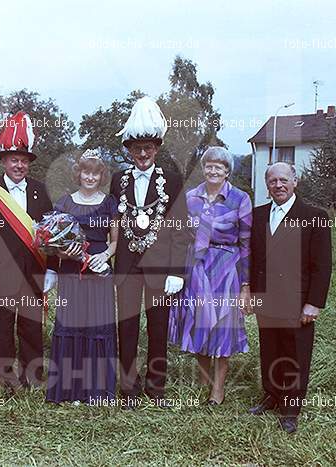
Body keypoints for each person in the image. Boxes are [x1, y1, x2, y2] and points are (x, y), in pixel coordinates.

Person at [109, 96, 190, 408]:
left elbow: (181, 229)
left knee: (157, 330)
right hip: (127, 267)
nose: (142, 154)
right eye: (137, 149)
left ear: (157, 148)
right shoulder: (118, 180)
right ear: (129, 149)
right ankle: (128, 389)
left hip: (160, 269)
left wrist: (176, 271)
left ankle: (156, 389)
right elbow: (112, 223)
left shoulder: (171, 180)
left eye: (149, 148)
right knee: (126, 328)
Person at [0, 111, 59, 392]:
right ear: (4, 161)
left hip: (34, 269)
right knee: (2, 325)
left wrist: (52, 269)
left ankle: (32, 377)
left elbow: (52, 232)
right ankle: (2, 378)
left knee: (31, 325)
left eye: (24, 161)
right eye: (14, 160)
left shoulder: (40, 190)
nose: (19, 165)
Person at [248, 161, 332, 433]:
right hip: (266, 298)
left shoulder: (313, 215)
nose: (278, 185)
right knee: (270, 350)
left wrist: (314, 303)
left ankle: (291, 408)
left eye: (284, 180)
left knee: (295, 353)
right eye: (273, 181)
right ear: (267, 186)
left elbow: (322, 265)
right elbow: (253, 258)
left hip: (298, 302)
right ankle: (272, 395)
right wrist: (249, 290)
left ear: (295, 182)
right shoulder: (258, 215)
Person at [168, 147, 252, 405]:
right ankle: (203, 381)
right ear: (203, 169)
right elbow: (179, 236)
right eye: (209, 165)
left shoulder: (240, 198)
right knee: (199, 324)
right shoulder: (191, 197)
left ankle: (218, 389)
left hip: (227, 268)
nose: (213, 170)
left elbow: (247, 244)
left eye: (219, 166)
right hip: (196, 268)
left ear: (227, 171)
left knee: (222, 327)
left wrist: (246, 283)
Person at [46, 150, 119, 404]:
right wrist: (65, 252)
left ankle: (97, 392)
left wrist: (106, 255)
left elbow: (115, 241)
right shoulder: (65, 203)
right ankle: (69, 391)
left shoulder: (110, 202)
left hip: (98, 269)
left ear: (101, 175)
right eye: (86, 172)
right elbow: (51, 243)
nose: (90, 177)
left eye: (95, 173)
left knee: (98, 326)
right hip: (71, 269)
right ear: (79, 173)